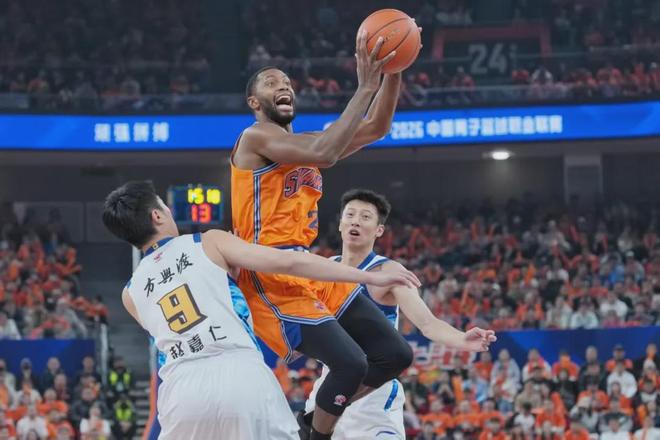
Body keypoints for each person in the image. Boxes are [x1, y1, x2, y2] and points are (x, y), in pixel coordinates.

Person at [101, 181, 419, 440]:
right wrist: (367, 276)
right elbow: (290, 262)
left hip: (180, 390)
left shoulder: (130, 294)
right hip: (236, 371)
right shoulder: (208, 242)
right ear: (158, 216)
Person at [232, 31, 419, 439]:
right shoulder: (254, 137)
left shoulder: (308, 141)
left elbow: (378, 126)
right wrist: (365, 86)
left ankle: (311, 424)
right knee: (351, 363)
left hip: (306, 264)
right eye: (270, 82)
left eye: (286, 81)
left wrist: (393, 69)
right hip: (269, 269)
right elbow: (326, 154)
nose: (282, 85)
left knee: (394, 354)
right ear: (254, 103)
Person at [304, 189, 496, 439]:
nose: (355, 221)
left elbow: (427, 323)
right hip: (329, 385)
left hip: (372, 394)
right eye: (350, 215)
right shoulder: (325, 267)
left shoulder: (388, 271)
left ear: (379, 230)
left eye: (365, 217)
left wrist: (461, 338)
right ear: (340, 223)